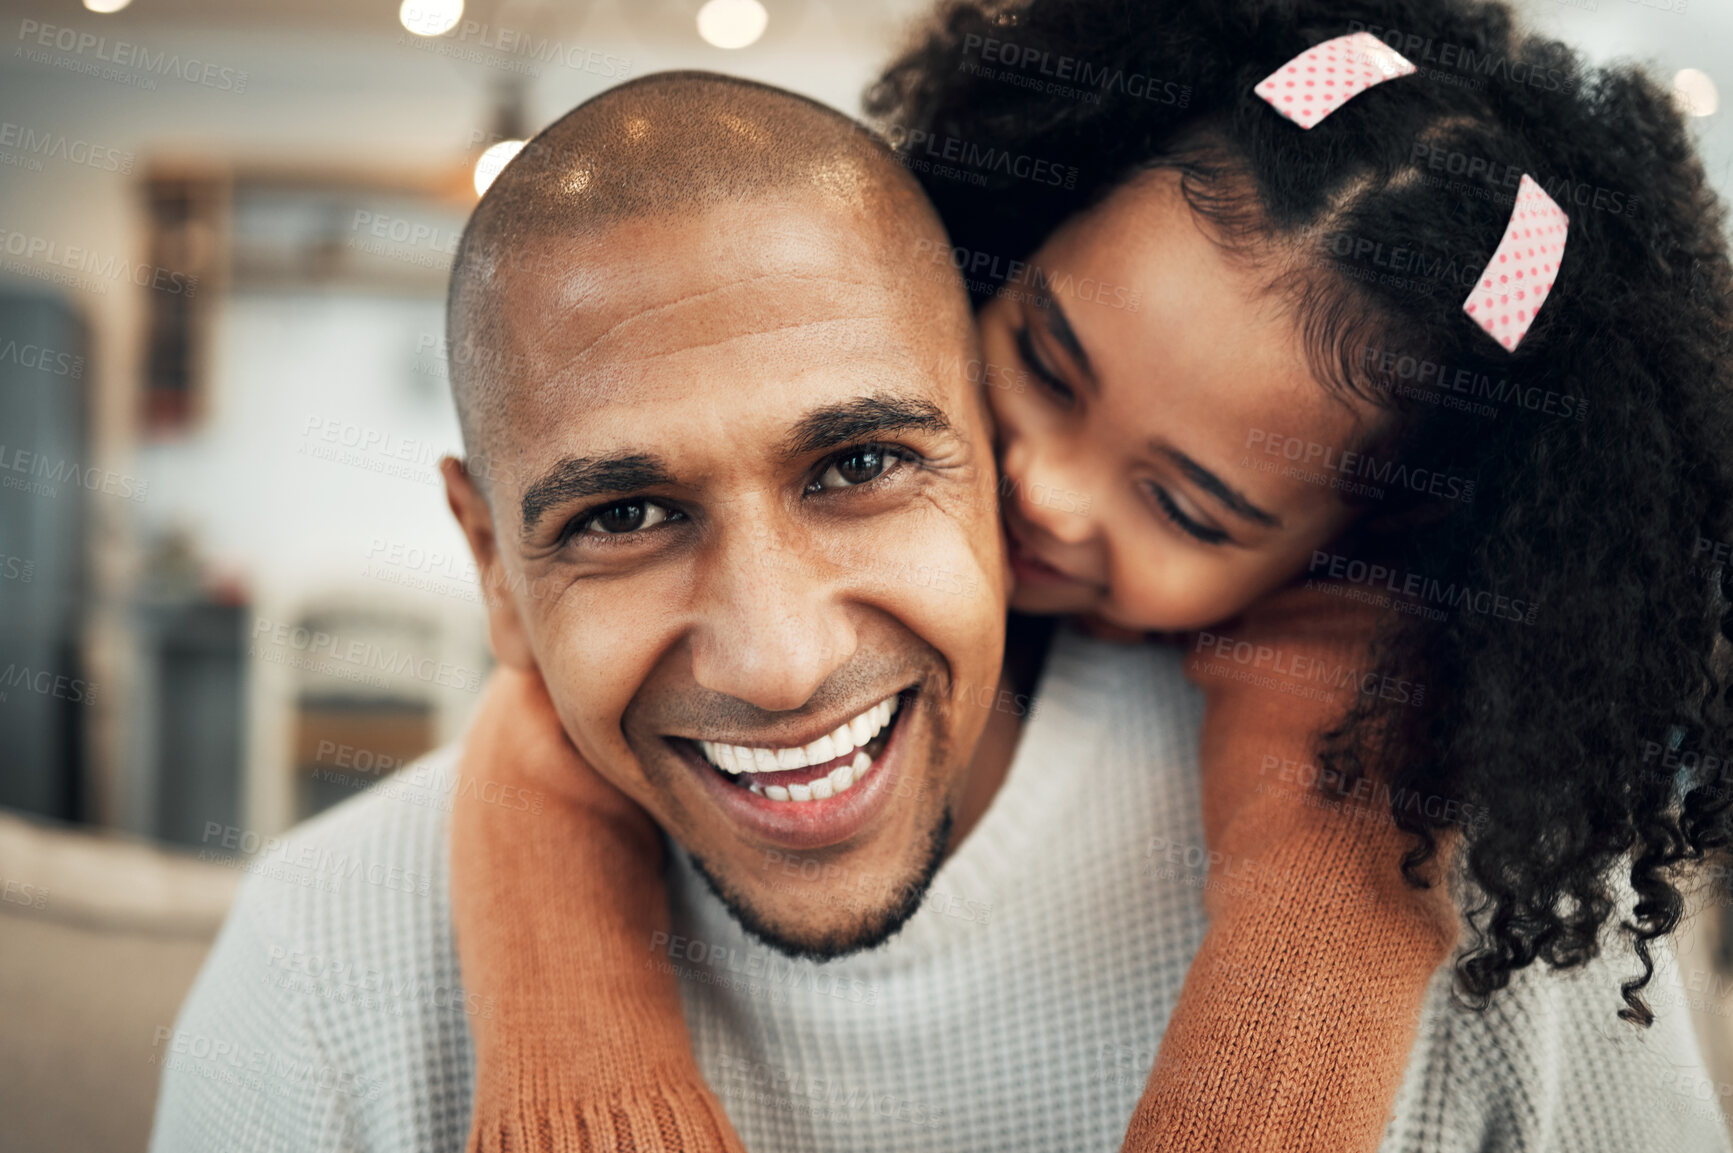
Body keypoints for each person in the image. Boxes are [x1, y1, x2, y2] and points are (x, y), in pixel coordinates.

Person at [146, 63, 1733, 1153]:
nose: (1045, 488)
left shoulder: (1463, 845)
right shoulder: (327, 953)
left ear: (1357, 548)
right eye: (621, 514)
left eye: (857, 460)